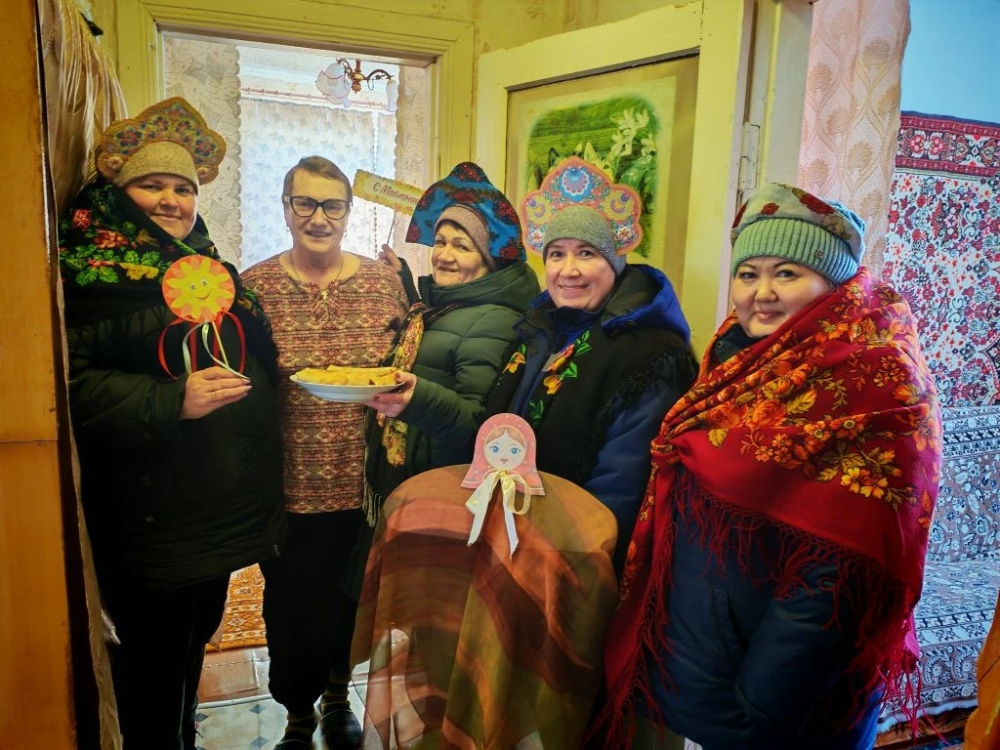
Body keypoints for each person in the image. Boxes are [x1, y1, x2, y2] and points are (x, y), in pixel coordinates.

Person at [597, 183, 943, 750]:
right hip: (715, 662)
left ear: (834, 284)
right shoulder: (740, 356)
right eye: (747, 273)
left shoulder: (876, 382)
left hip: (781, 703)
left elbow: (838, 578)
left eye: (787, 273)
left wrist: (758, 710)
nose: (761, 293)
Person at [60, 97, 286, 750]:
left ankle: (183, 733)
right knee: (151, 667)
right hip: (152, 518)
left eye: (183, 188)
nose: (171, 200)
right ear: (118, 192)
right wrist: (171, 401)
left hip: (212, 513)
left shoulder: (203, 264)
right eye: (152, 184)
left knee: (190, 647)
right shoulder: (89, 272)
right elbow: (69, 390)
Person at [240, 156, 408, 750]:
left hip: (365, 485)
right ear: (285, 209)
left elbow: (411, 358)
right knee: (291, 606)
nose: (318, 218)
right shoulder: (254, 288)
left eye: (332, 205)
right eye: (305, 203)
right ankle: (297, 712)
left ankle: (338, 695)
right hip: (289, 485)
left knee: (351, 600)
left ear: (348, 211)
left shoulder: (384, 284)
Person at [484, 156, 698, 571]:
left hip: (570, 552)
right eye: (556, 254)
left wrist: (566, 555)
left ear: (615, 262)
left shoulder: (651, 354)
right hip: (509, 533)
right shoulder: (539, 330)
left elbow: (622, 484)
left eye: (586, 253)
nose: (569, 270)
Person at [362, 160, 540, 514]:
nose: (443, 256)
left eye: (462, 247)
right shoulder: (444, 307)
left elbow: (480, 427)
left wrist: (415, 400)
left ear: (490, 261)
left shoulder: (495, 321)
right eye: (440, 242)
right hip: (415, 477)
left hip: (442, 490)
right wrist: (405, 277)